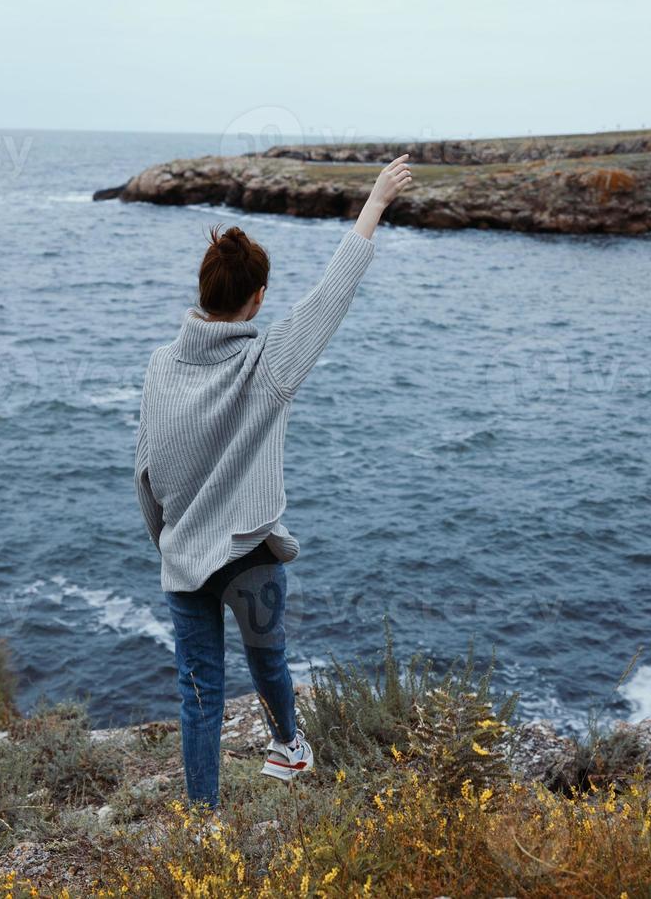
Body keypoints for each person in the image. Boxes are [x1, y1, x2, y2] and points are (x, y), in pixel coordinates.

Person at [134, 155, 415, 810]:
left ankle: (203, 817)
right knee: (268, 659)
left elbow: (143, 475)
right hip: (251, 553)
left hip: (184, 554)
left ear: (203, 295)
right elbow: (331, 293)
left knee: (199, 690)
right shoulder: (269, 362)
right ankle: (289, 747)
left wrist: (170, 542)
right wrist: (375, 201)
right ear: (257, 300)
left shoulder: (158, 367)